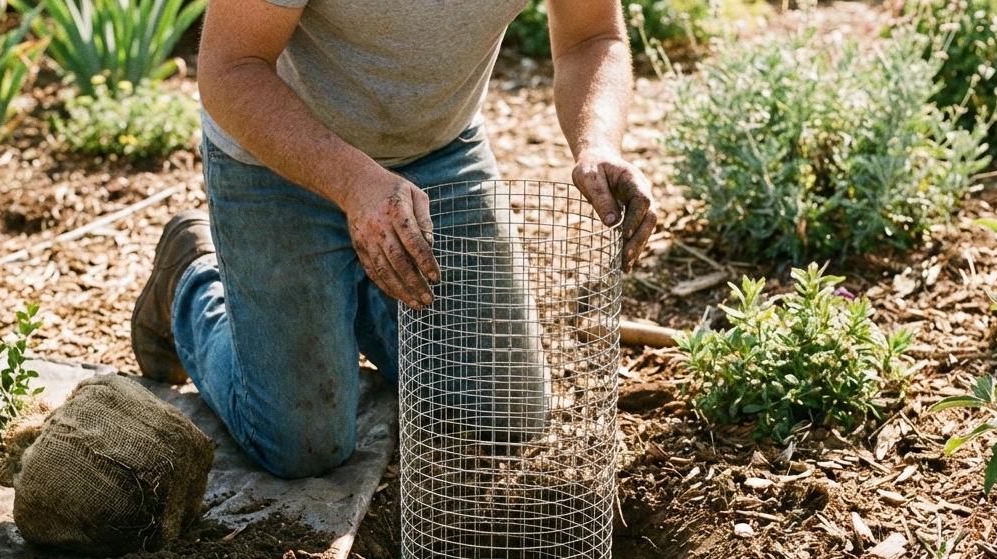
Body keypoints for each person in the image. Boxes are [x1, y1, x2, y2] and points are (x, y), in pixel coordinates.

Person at [131, 0, 658, 479]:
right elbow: (230, 68)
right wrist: (353, 183)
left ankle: (348, 290)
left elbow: (592, 37)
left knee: (505, 411)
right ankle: (189, 280)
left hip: (437, 151)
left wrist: (597, 142)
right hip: (279, 161)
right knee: (301, 448)